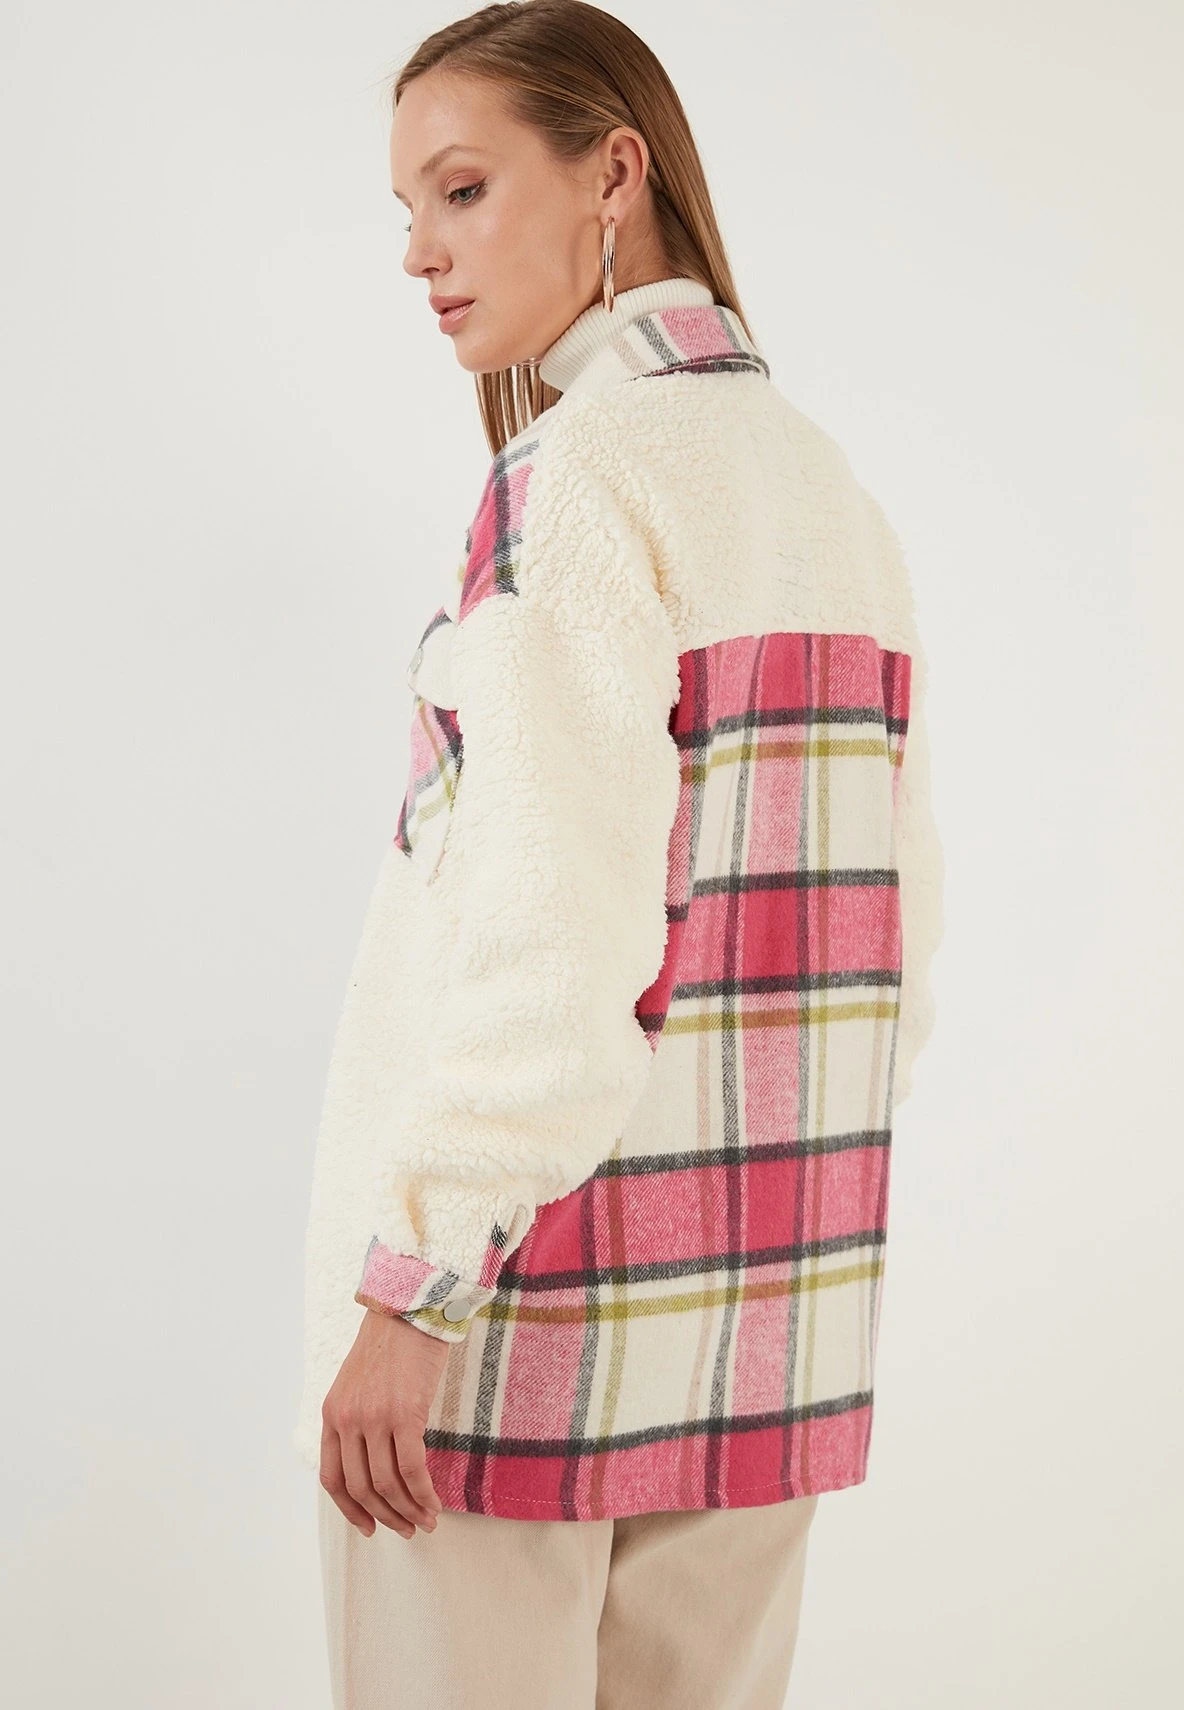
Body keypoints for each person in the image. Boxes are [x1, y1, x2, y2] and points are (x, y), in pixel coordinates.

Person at [293, 3, 946, 1705]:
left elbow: (552, 934)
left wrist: (414, 1285)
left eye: (462, 189)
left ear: (614, 174)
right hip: (767, 1328)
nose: (421, 253)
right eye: (408, 212)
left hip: (518, 1328)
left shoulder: (573, 479)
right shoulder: (828, 493)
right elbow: (901, 943)